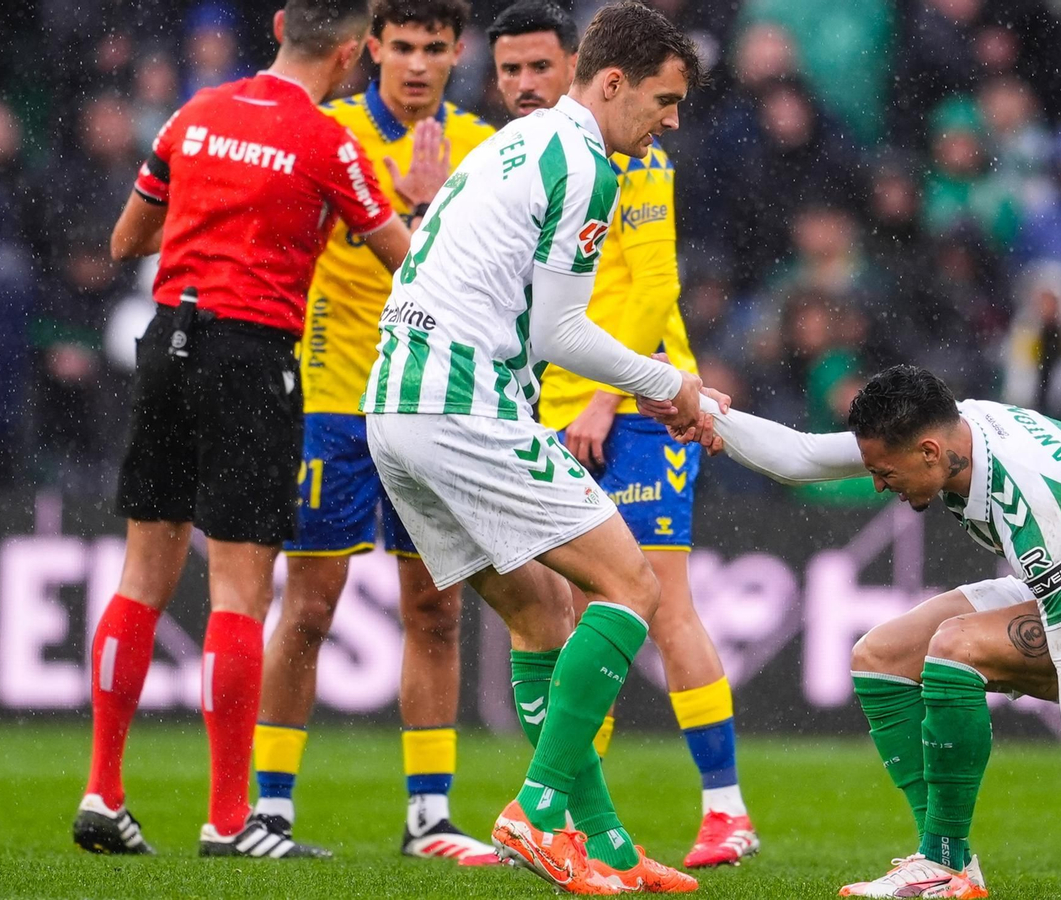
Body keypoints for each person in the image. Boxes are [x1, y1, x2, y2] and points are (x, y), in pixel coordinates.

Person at [363, 2, 707, 892]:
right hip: (462, 404)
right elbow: (560, 333)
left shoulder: (510, 144)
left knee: (537, 614)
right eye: (664, 101)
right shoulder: (587, 167)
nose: (671, 122)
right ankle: (538, 808)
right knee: (630, 585)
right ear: (614, 82)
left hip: (393, 408)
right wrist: (670, 383)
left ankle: (609, 848)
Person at [74, 0, 425, 859]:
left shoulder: (195, 114)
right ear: (351, 55)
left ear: (276, 26)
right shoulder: (328, 142)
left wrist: (209, 217)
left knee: (140, 578)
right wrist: (414, 204)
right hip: (253, 355)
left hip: (165, 344)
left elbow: (127, 239)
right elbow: (405, 262)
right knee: (239, 590)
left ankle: (103, 794)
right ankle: (231, 821)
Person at [644, 365, 1061, 899]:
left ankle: (940, 863)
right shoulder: (948, 429)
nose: (880, 485)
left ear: (929, 452)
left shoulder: (1025, 494)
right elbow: (802, 455)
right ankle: (949, 863)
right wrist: (707, 413)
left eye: (886, 473)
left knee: (956, 646)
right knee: (879, 656)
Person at [492, 0, 761, 868]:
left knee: (657, 599)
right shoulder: (524, 160)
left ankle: (726, 811)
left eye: (542, 67)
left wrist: (607, 401)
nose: (526, 84)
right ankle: (568, 814)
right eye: (511, 71)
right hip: (547, 411)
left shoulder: (637, 156)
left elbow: (650, 287)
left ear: (581, 69)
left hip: (637, 407)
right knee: (568, 617)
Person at [251, 0, 499, 865]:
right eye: (404, 47)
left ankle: (429, 817)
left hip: (432, 407)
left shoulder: (480, 147)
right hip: (333, 398)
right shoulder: (328, 132)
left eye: (436, 48)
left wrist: (436, 210)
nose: (420, 65)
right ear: (373, 49)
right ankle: (270, 810)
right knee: (309, 608)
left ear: (459, 52)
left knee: (434, 610)